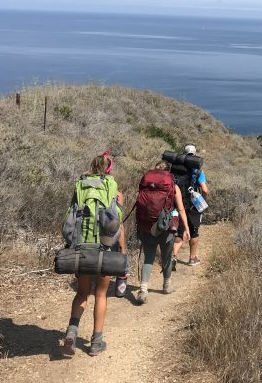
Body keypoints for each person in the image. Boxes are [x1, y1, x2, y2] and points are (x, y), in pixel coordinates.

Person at [63, 153, 126, 357]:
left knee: (82, 292)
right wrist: (120, 205)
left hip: (81, 247)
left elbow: (71, 215)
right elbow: (116, 220)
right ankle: (96, 342)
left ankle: (72, 331)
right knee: (100, 293)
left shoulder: (80, 184)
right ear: (108, 169)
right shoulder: (111, 185)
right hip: (105, 249)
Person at [136, 161, 190, 304]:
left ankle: (143, 289)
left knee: (148, 258)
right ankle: (167, 285)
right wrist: (186, 228)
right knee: (166, 257)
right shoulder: (173, 186)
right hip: (165, 227)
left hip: (147, 225)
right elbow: (181, 209)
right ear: (168, 172)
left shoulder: (146, 184)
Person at [172, 143, 209, 267]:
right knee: (194, 231)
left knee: (179, 231)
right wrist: (202, 204)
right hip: (193, 206)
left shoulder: (175, 168)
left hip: (178, 203)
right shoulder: (198, 170)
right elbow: (205, 190)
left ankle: (173, 256)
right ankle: (192, 258)